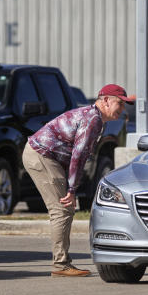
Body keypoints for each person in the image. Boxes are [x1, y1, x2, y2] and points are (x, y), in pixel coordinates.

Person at [22, 83, 132, 277]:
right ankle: (61, 265)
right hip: (41, 155)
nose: (122, 109)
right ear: (105, 101)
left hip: (45, 156)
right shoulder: (93, 120)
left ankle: (61, 262)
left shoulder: (95, 118)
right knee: (62, 209)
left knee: (65, 209)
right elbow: (78, 155)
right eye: (120, 103)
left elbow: (78, 155)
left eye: (124, 105)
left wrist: (72, 186)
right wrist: (72, 190)